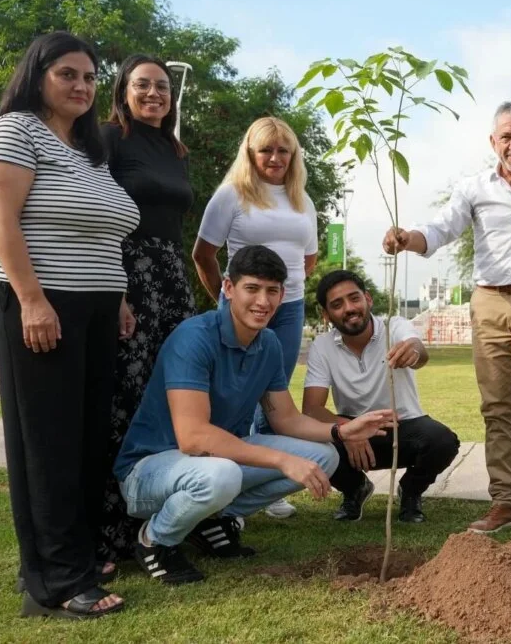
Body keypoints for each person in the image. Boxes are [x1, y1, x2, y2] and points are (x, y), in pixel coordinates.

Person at [0, 31, 139, 619]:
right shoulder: (16, 131)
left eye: (91, 77)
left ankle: (75, 553)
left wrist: (117, 298)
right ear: (37, 74)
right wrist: (32, 299)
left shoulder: (87, 148)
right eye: (68, 73)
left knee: (84, 438)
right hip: (40, 301)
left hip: (95, 308)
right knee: (45, 442)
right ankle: (54, 584)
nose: (82, 86)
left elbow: (103, 232)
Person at [113, 246, 393, 586]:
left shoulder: (269, 344)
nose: (263, 301)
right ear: (228, 289)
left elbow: (286, 419)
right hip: (149, 469)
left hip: (215, 461)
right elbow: (194, 438)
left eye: (272, 291)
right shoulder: (194, 337)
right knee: (224, 475)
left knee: (323, 457)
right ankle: (154, 539)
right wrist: (281, 460)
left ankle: (208, 520)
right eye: (252, 288)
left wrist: (342, 431)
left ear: (282, 295)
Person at [383, 100, 511, 536]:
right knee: (496, 408)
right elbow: (440, 230)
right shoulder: (474, 187)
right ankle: (504, 503)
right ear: (493, 142)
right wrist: (408, 238)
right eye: (507, 137)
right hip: (490, 301)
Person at [193, 116, 318, 520]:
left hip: (289, 309)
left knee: (274, 399)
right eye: (266, 149)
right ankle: (221, 480)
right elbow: (203, 253)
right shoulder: (232, 195)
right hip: (240, 311)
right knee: (234, 396)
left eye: (284, 150)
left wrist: (285, 294)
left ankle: (265, 480)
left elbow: (309, 257)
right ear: (250, 153)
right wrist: (226, 298)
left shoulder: (302, 200)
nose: (275, 158)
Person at [98, 54, 197, 563]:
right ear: (124, 90)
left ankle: (170, 517)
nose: (154, 94)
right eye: (143, 85)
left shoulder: (175, 149)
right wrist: (117, 294)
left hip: (171, 278)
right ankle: (110, 534)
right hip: (128, 276)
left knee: (172, 397)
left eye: (162, 86)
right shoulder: (108, 138)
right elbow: (100, 217)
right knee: (126, 400)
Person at [303, 270, 461, 523]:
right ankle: (355, 488)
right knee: (309, 444)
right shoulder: (322, 346)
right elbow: (311, 409)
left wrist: (414, 351)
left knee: (442, 441)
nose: (349, 308)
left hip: (403, 426)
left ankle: (410, 492)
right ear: (326, 314)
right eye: (337, 304)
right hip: (353, 430)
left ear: (368, 299)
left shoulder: (394, 326)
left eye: (354, 298)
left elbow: (418, 350)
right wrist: (348, 430)